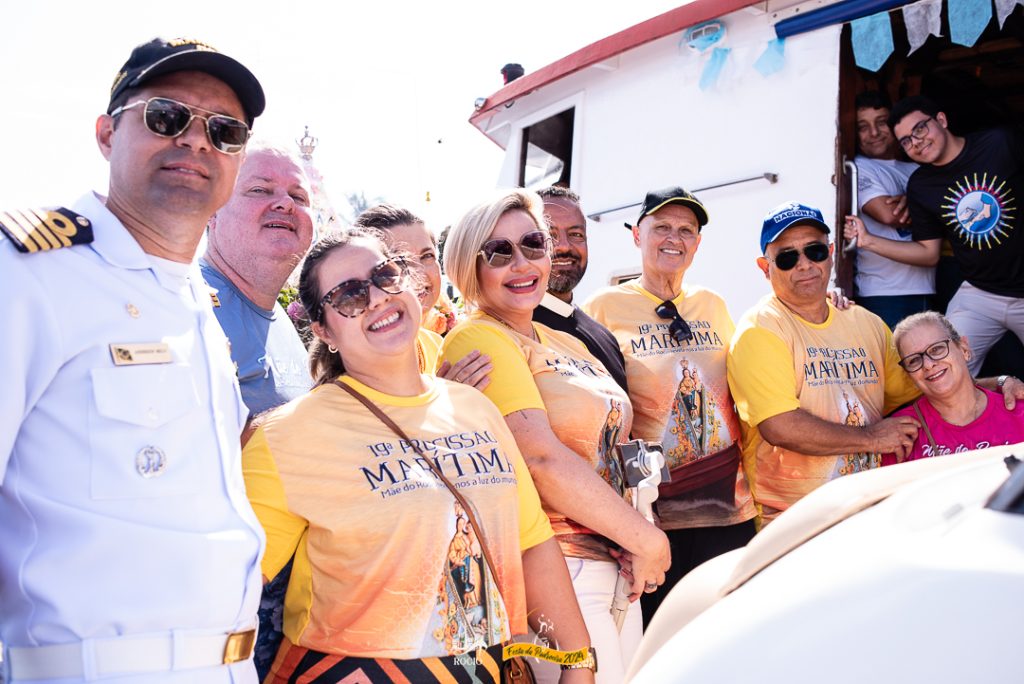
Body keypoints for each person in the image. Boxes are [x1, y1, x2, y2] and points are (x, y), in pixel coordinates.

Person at [0, 38, 266, 683]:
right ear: (106, 133)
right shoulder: (27, 273)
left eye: (225, 131)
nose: (197, 142)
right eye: (167, 116)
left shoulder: (193, 299)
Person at [242, 228, 594, 683]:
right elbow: (224, 592)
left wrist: (576, 661)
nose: (375, 299)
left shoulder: (475, 408)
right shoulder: (287, 434)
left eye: (385, 275)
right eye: (348, 295)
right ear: (324, 329)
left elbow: (531, 542)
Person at [441, 189, 668, 684]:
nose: (521, 262)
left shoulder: (562, 338)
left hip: (612, 558)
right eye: (499, 252)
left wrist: (635, 532)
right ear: (468, 266)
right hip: (554, 569)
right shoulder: (478, 338)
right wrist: (645, 539)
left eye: (532, 243)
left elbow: (618, 442)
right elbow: (540, 460)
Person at [728, 201, 1022, 527]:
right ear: (765, 267)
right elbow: (780, 426)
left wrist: (996, 382)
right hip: (796, 521)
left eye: (814, 251)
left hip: (867, 511)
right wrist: (872, 438)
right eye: (786, 257)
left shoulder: (865, 323)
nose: (804, 265)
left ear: (829, 252)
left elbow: (923, 381)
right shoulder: (761, 329)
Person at [583, 186, 757, 627]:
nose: (673, 238)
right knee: (662, 639)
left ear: (697, 243)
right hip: (656, 520)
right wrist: (643, 514)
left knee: (726, 629)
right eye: (661, 227)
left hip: (728, 508)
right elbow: (614, 414)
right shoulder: (604, 308)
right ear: (636, 235)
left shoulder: (712, 305)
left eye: (686, 230)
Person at [198, 143, 315, 681]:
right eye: (260, 191)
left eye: (297, 195)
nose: (284, 204)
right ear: (213, 210)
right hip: (202, 611)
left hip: (274, 615)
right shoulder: (185, 305)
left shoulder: (288, 327)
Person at [843, 95, 1024, 374]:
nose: (916, 141)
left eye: (920, 129)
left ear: (941, 120)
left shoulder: (1000, 143)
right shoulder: (921, 185)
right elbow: (928, 252)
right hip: (980, 293)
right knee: (944, 369)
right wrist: (866, 240)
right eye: (906, 140)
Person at [353, 204, 491, 388]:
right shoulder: (357, 360)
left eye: (427, 256)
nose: (419, 272)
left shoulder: (437, 345)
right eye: (399, 260)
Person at [883, 312, 1024, 464]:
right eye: (914, 360)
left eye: (937, 349)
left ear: (964, 349)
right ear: (908, 374)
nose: (928, 364)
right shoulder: (899, 433)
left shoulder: (1018, 411)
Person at [850, 91, 934, 329]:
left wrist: (912, 200)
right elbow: (891, 215)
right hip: (883, 291)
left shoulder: (917, 166)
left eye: (881, 122)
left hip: (926, 284)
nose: (874, 133)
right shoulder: (860, 166)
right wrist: (923, 203)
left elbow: (944, 213)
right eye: (862, 127)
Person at [532, 186, 628, 393]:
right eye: (550, 234)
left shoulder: (605, 337)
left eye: (576, 234)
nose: (564, 246)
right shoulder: (514, 330)